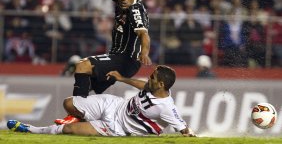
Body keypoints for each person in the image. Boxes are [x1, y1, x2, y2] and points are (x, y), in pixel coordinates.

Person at [57, 0, 152, 124]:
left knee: (82, 65)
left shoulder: (135, 10)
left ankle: (76, 116)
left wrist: (144, 52)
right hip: (116, 57)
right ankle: (83, 121)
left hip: (126, 59)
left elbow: (143, 34)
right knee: (87, 87)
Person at [7, 65, 196, 137]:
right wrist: (122, 78)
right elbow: (142, 85)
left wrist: (191, 134)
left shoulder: (167, 109)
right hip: (113, 105)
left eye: (153, 77)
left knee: (68, 130)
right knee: (69, 103)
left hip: (116, 127)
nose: (149, 78)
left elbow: (184, 130)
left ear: (162, 84)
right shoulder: (153, 86)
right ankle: (78, 116)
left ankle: (30, 129)